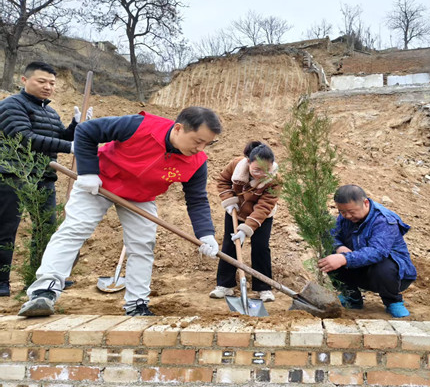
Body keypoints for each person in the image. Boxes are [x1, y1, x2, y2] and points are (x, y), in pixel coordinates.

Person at [18, 106, 222, 317]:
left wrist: (205, 234)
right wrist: (88, 172)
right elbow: (86, 130)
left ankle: (137, 304)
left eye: (207, 143)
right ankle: (45, 291)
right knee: (75, 229)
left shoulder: (197, 162)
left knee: (143, 245)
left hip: (140, 197)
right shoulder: (139, 125)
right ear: (178, 128)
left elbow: (197, 199)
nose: (201, 148)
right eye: (198, 141)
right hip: (99, 182)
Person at [0, 61, 91, 297]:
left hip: (43, 176)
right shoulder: (11, 105)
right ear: (24, 80)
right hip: (13, 174)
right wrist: (70, 146)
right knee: (6, 229)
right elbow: (24, 137)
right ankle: (1, 282)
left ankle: (40, 278)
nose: (48, 87)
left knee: (46, 229)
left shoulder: (50, 112)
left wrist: (76, 127)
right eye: (42, 81)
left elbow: (59, 137)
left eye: (51, 83)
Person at [318, 184, 417, 318]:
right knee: (330, 257)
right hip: (362, 268)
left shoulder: (384, 220)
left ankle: (393, 301)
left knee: (383, 266)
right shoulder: (345, 217)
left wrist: (345, 258)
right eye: (342, 212)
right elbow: (333, 235)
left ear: (365, 203)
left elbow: (378, 252)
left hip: (395, 276)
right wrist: (339, 247)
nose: (347, 216)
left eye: (351, 211)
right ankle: (351, 298)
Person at [211, 141, 280, 302]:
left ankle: (263, 288)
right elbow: (223, 181)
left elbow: (264, 206)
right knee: (230, 245)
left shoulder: (275, 180)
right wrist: (229, 200)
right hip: (236, 210)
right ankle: (224, 285)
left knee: (260, 248)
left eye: (266, 170)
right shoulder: (236, 165)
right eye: (256, 170)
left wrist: (246, 229)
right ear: (248, 162)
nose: (260, 174)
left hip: (261, 216)